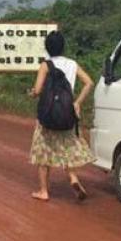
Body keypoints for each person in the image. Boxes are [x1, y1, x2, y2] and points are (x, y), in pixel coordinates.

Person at [28, 31, 96, 201]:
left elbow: (38, 90)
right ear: (63, 47)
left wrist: (32, 93)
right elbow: (89, 83)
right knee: (66, 149)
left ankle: (43, 191)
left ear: (47, 48)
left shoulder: (45, 65)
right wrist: (77, 102)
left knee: (43, 152)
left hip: (48, 114)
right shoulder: (72, 64)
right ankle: (73, 178)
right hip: (67, 113)